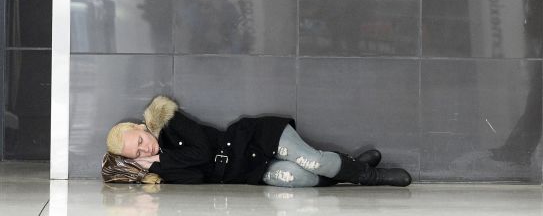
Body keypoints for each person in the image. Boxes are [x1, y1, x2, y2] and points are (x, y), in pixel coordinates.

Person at [102, 95, 412, 187]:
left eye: (141, 140)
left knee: (314, 160)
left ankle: (373, 177)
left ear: (142, 126)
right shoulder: (161, 169)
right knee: (302, 176)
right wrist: (153, 164)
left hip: (253, 139)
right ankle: (351, 168)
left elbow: (202, 152)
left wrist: (159, 159)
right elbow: (196, 175)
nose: (146, 148)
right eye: (138, 152)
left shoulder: (169, 120)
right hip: (250, 172)